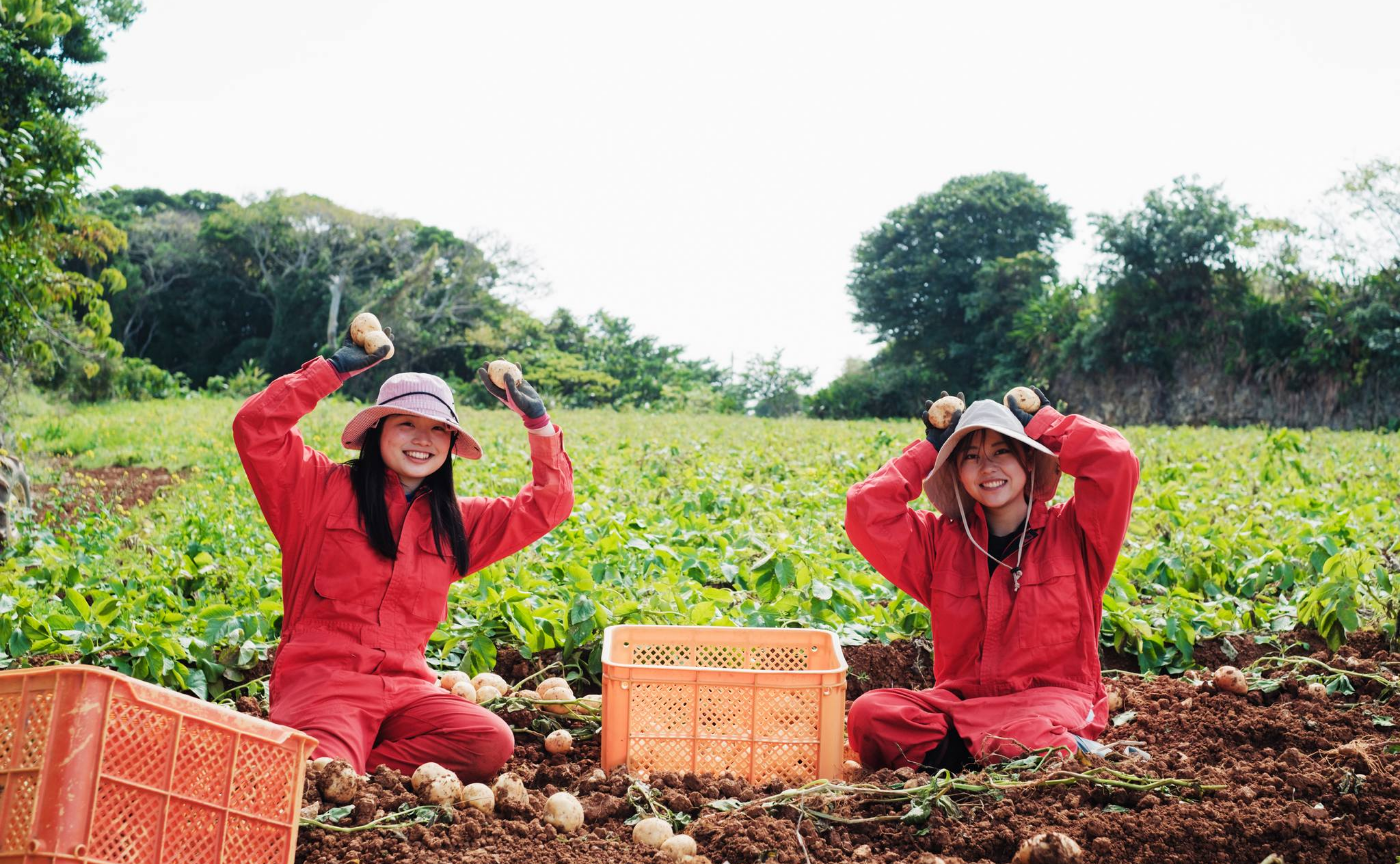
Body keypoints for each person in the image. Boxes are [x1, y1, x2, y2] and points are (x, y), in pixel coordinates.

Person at [232, 326, 573, 782]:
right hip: (324, 687)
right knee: (317, 774)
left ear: (452, 445)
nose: (423, 439)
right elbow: (256, 428)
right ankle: (342, 769)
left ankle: (368, 777)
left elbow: (548, 504)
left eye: (439, 430)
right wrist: (332, 370)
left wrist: (538, 423)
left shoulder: (456, 521)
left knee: (490, 739)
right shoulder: (318, 491)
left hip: (407, 690)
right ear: (377, 430)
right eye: (407, 423)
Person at [844, 387, 1138, 771]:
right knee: (871, 714)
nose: (987, 468)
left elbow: (1114, 461)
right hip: (962, 704)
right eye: (970, 457)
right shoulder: (938, 543)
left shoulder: (1077, 532)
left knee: (1025, 733)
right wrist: (932, 446)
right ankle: (1004, 759)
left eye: (1002, 451)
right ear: (957, 474)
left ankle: (1029, 753)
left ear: (1028, 462)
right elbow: (865, 509)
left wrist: (1044, 423)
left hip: (1050, 703)